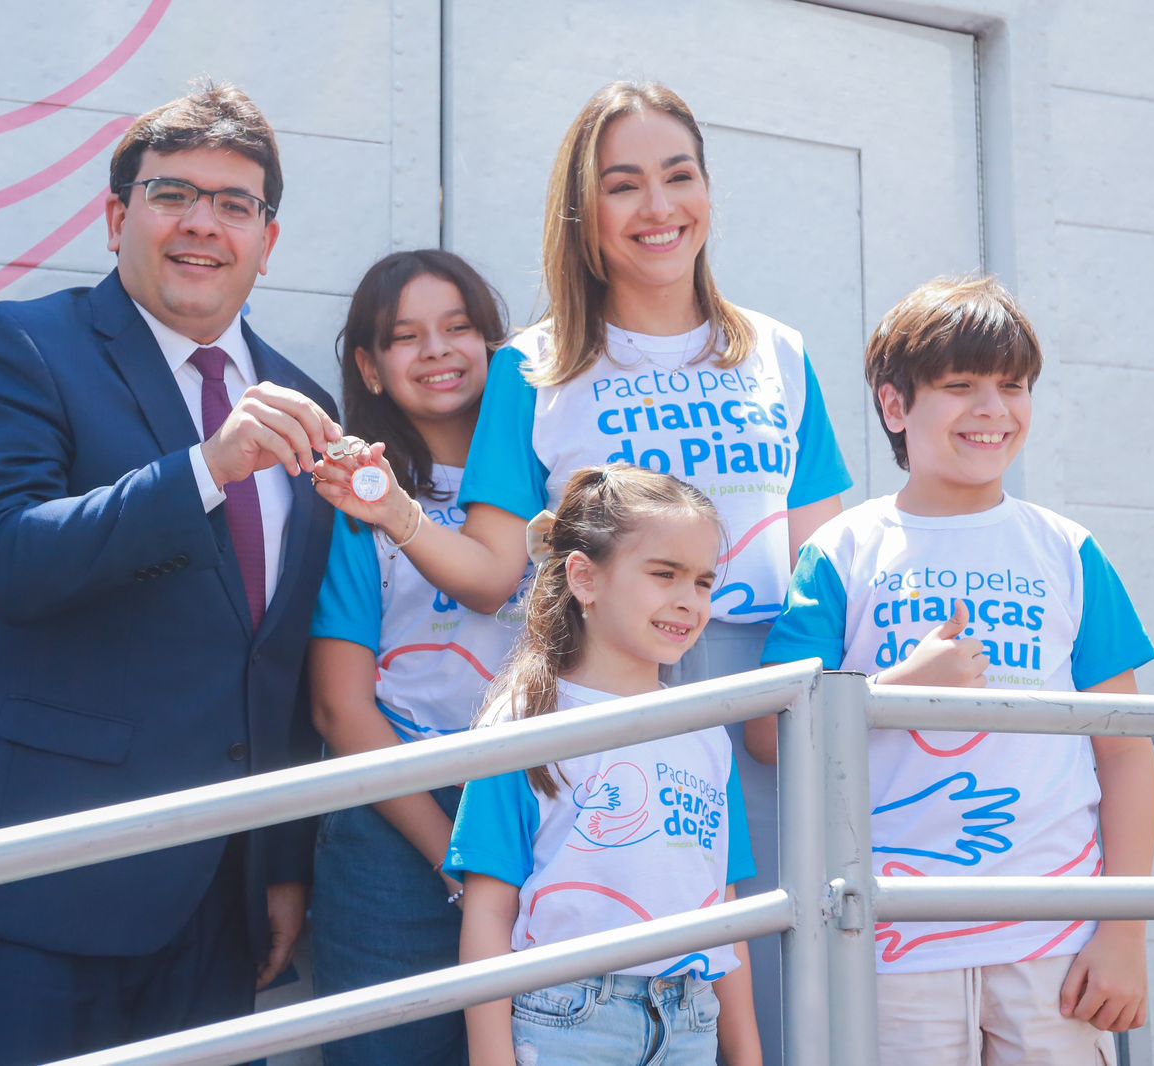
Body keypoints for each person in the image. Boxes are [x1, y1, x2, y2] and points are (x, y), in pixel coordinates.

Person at [311, 81, 852, 1043]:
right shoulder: (532, 366)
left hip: (765, 715)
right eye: (623, 184)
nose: (658, 207)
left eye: (679, 176)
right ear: (583, 211)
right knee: (610, 1005)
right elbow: (492, 574)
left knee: (772, 997)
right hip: (598, 715)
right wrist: (394, 513)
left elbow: (823, 569)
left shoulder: (781, 352)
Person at [0, 82, 341, 1064]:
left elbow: (275, 658)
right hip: (28, 882)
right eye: (174, 194)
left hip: (215, 899)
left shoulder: (301, 400)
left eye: (234, 204)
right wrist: (206, 468)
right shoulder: (17, 346)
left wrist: (279, 861)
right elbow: (9, 557)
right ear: (118, 218)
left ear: (267, 240)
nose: (203, 224)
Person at [755, 275, 1154, 1064]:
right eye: (961, 385)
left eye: (1013, 385)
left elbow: (1125, 753)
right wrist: (894, 692)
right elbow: (772, 738)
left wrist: (1126, 930)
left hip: (1055, 941)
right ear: (895, 405)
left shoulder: (1068, 551)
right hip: (889, 935)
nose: (993, 408)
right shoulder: (843, 550)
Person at [446, 464, 761, 1066]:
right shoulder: (526, 719)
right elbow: (488, 910)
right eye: (664, 574)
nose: (688, 600)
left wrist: (747, 1056)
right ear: (584, 578)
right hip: (567, 1018)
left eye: (702, 581)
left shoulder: (707, 731)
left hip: (692, 1018)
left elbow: (726, 909)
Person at [307, 250, 516, 1065]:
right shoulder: (355, 493)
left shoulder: (552, 480)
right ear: (369, 365)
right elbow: (340, 706)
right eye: (405, 336)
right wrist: (452, 858)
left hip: (540, 807)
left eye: (458, 327)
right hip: (397, 830)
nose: (437, 351)